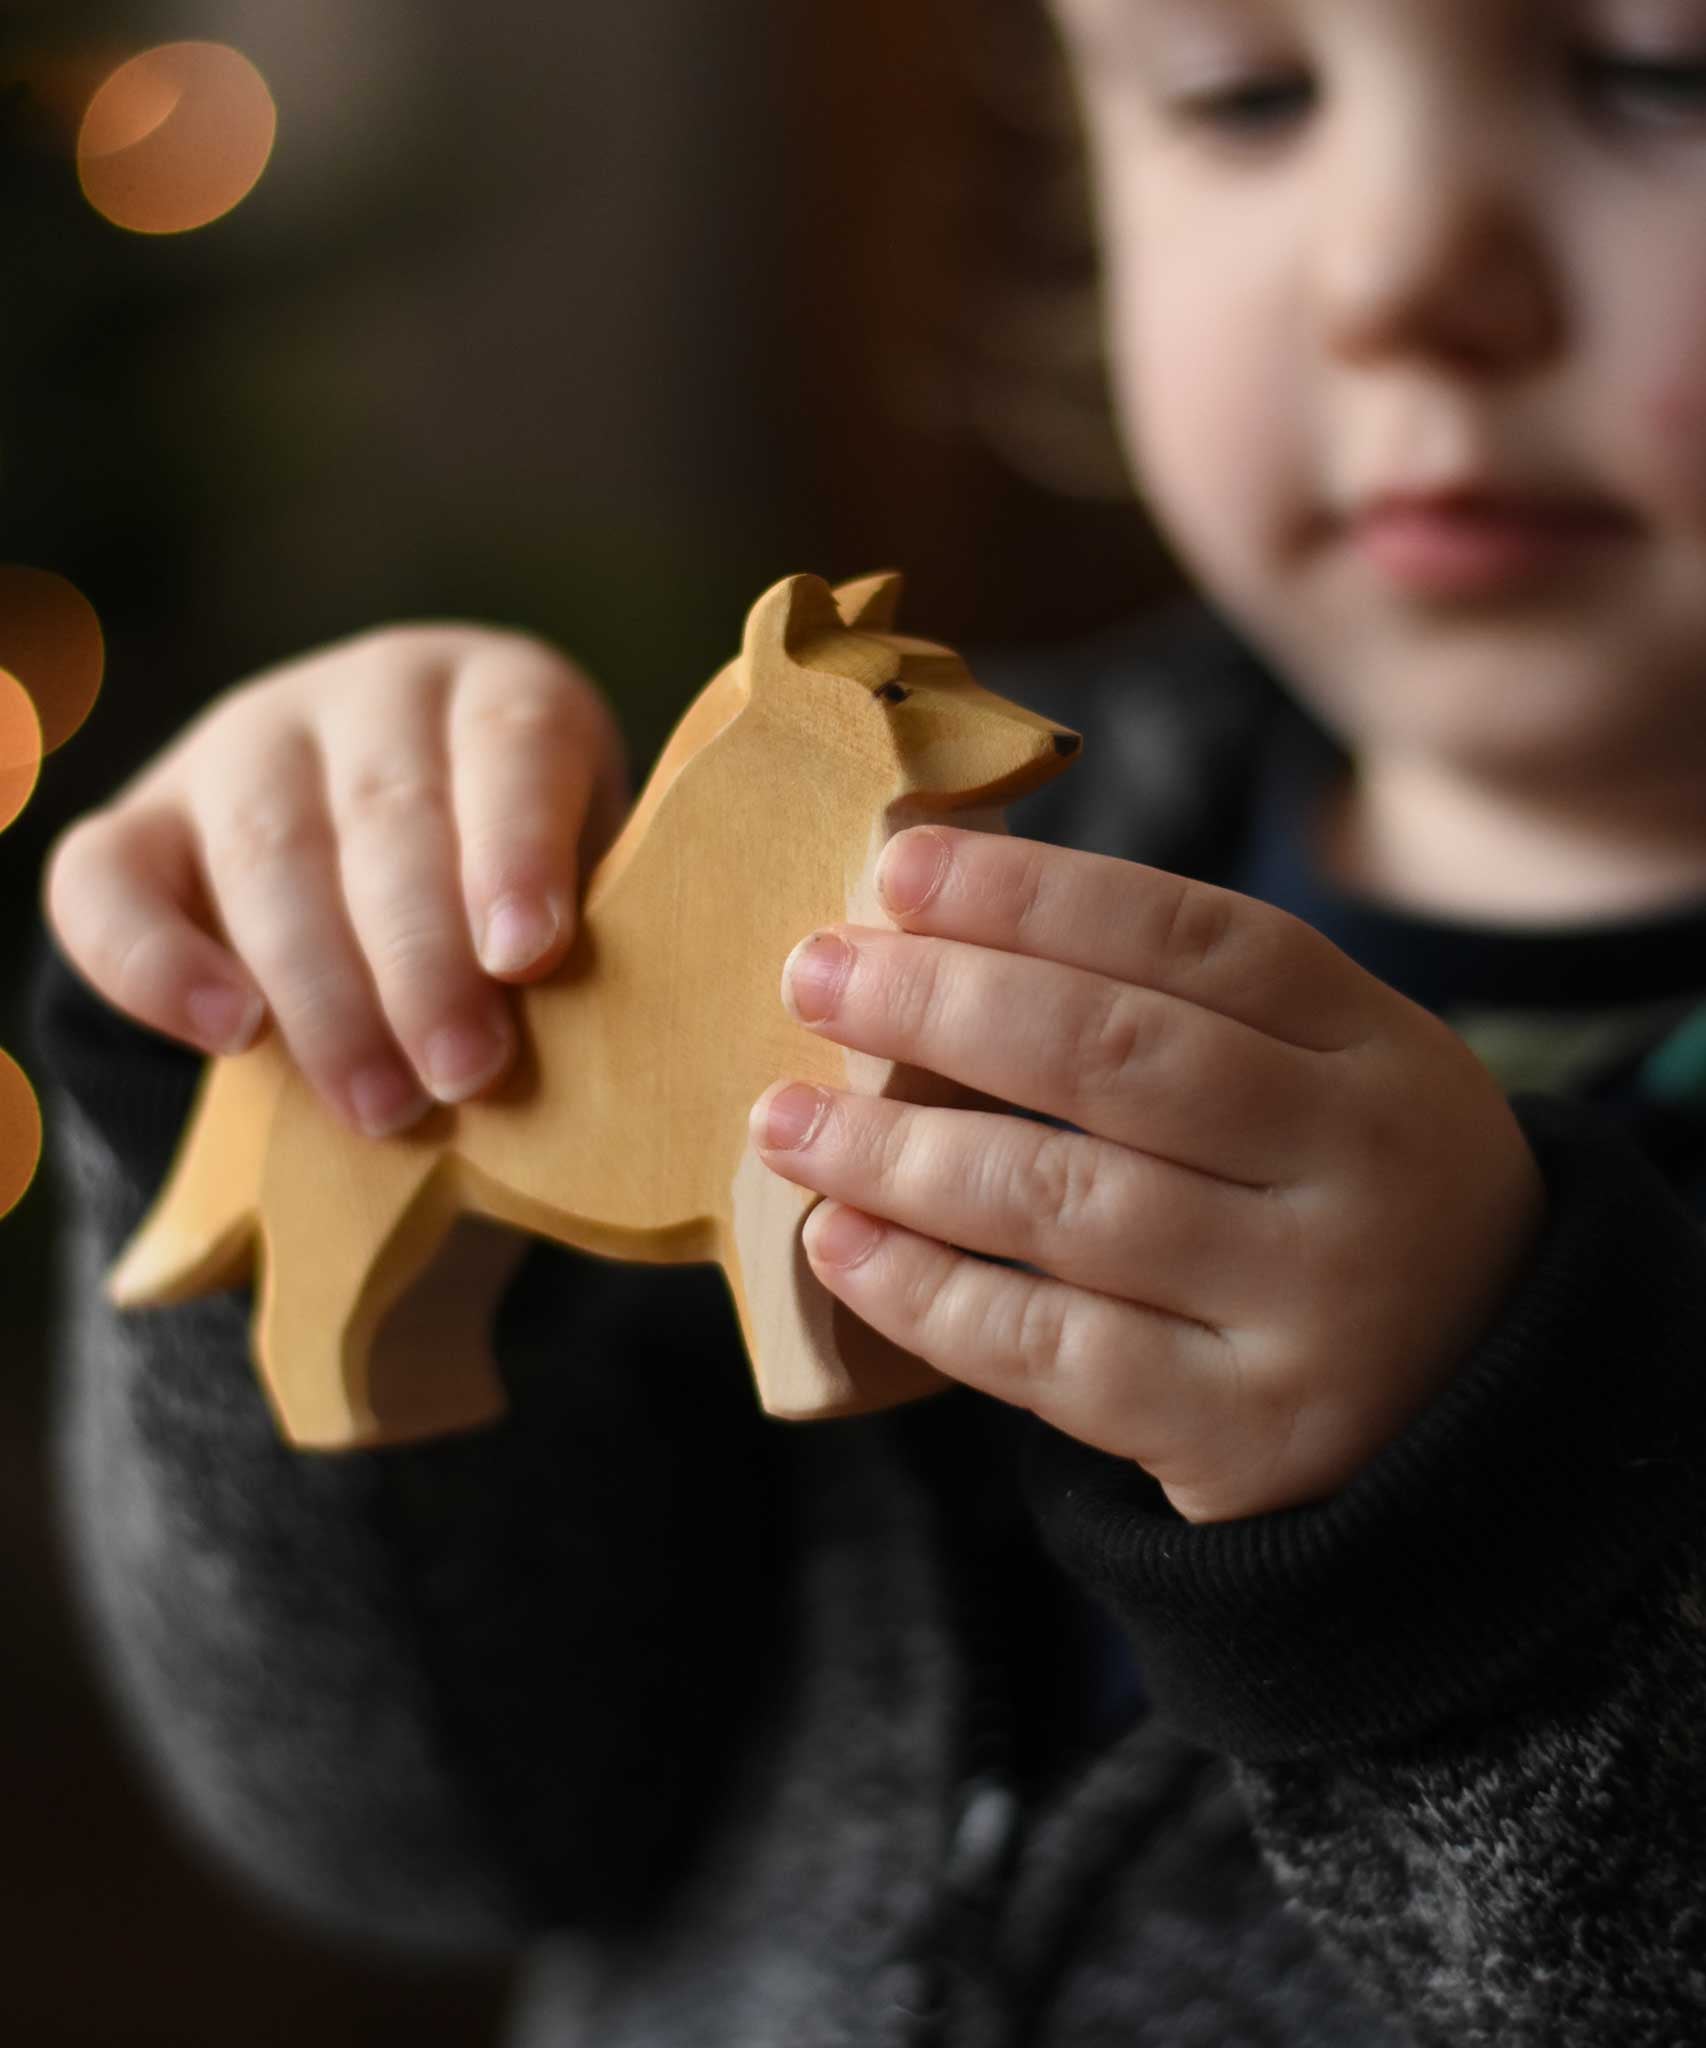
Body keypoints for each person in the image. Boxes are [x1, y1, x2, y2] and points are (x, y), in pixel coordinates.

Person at [27, 0, 1706, 2039]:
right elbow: (433, 1830)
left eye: (1657, 71)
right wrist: (286, 990)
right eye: (1242, 94)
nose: (1398, 276)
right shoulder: (848, 895)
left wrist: (1493, 1512)